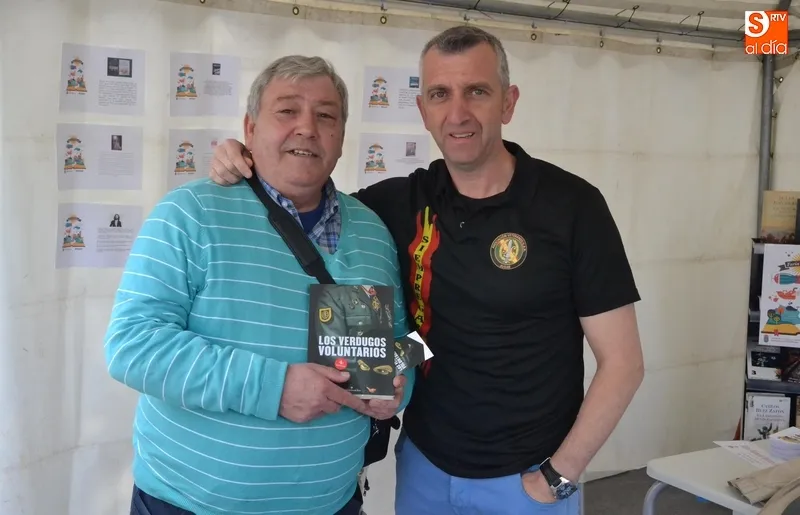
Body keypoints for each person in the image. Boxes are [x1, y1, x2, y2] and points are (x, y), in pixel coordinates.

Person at [208, 25, 645, 515]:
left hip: (527, 479)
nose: (457, 113)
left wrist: (557, 477)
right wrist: (245, 160)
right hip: (424, 468)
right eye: (440, 94)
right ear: (423, 110)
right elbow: (306, 202)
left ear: (508, 102)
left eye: (476, 91)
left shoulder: (572, 207)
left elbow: (623, 364)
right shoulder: (392, 207)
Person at [103, 55, 415, 515]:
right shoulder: (190, 214)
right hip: (189, 505)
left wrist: (398, 385)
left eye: (326, 116)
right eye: (287, 110)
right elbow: (131, 346)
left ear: (342, 139)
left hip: (332, 504)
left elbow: (401, 340)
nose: (307, 127)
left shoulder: (371, 232)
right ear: (250, 129)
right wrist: (274, 386)